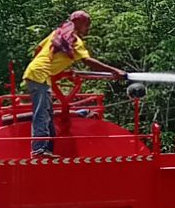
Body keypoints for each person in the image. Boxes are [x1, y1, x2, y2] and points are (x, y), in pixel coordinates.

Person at [21, 11, 124, 157]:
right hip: (40, 75)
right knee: (42, 113)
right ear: (80, 23)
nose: (88, 29)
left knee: (47, 113)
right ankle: (39, 150)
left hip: (36, 72)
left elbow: (38, 49)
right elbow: (88, 61)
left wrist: (55, 66)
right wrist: (115, 71)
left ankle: (47, 149)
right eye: (87, 25)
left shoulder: (57, 34)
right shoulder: (75, 41)